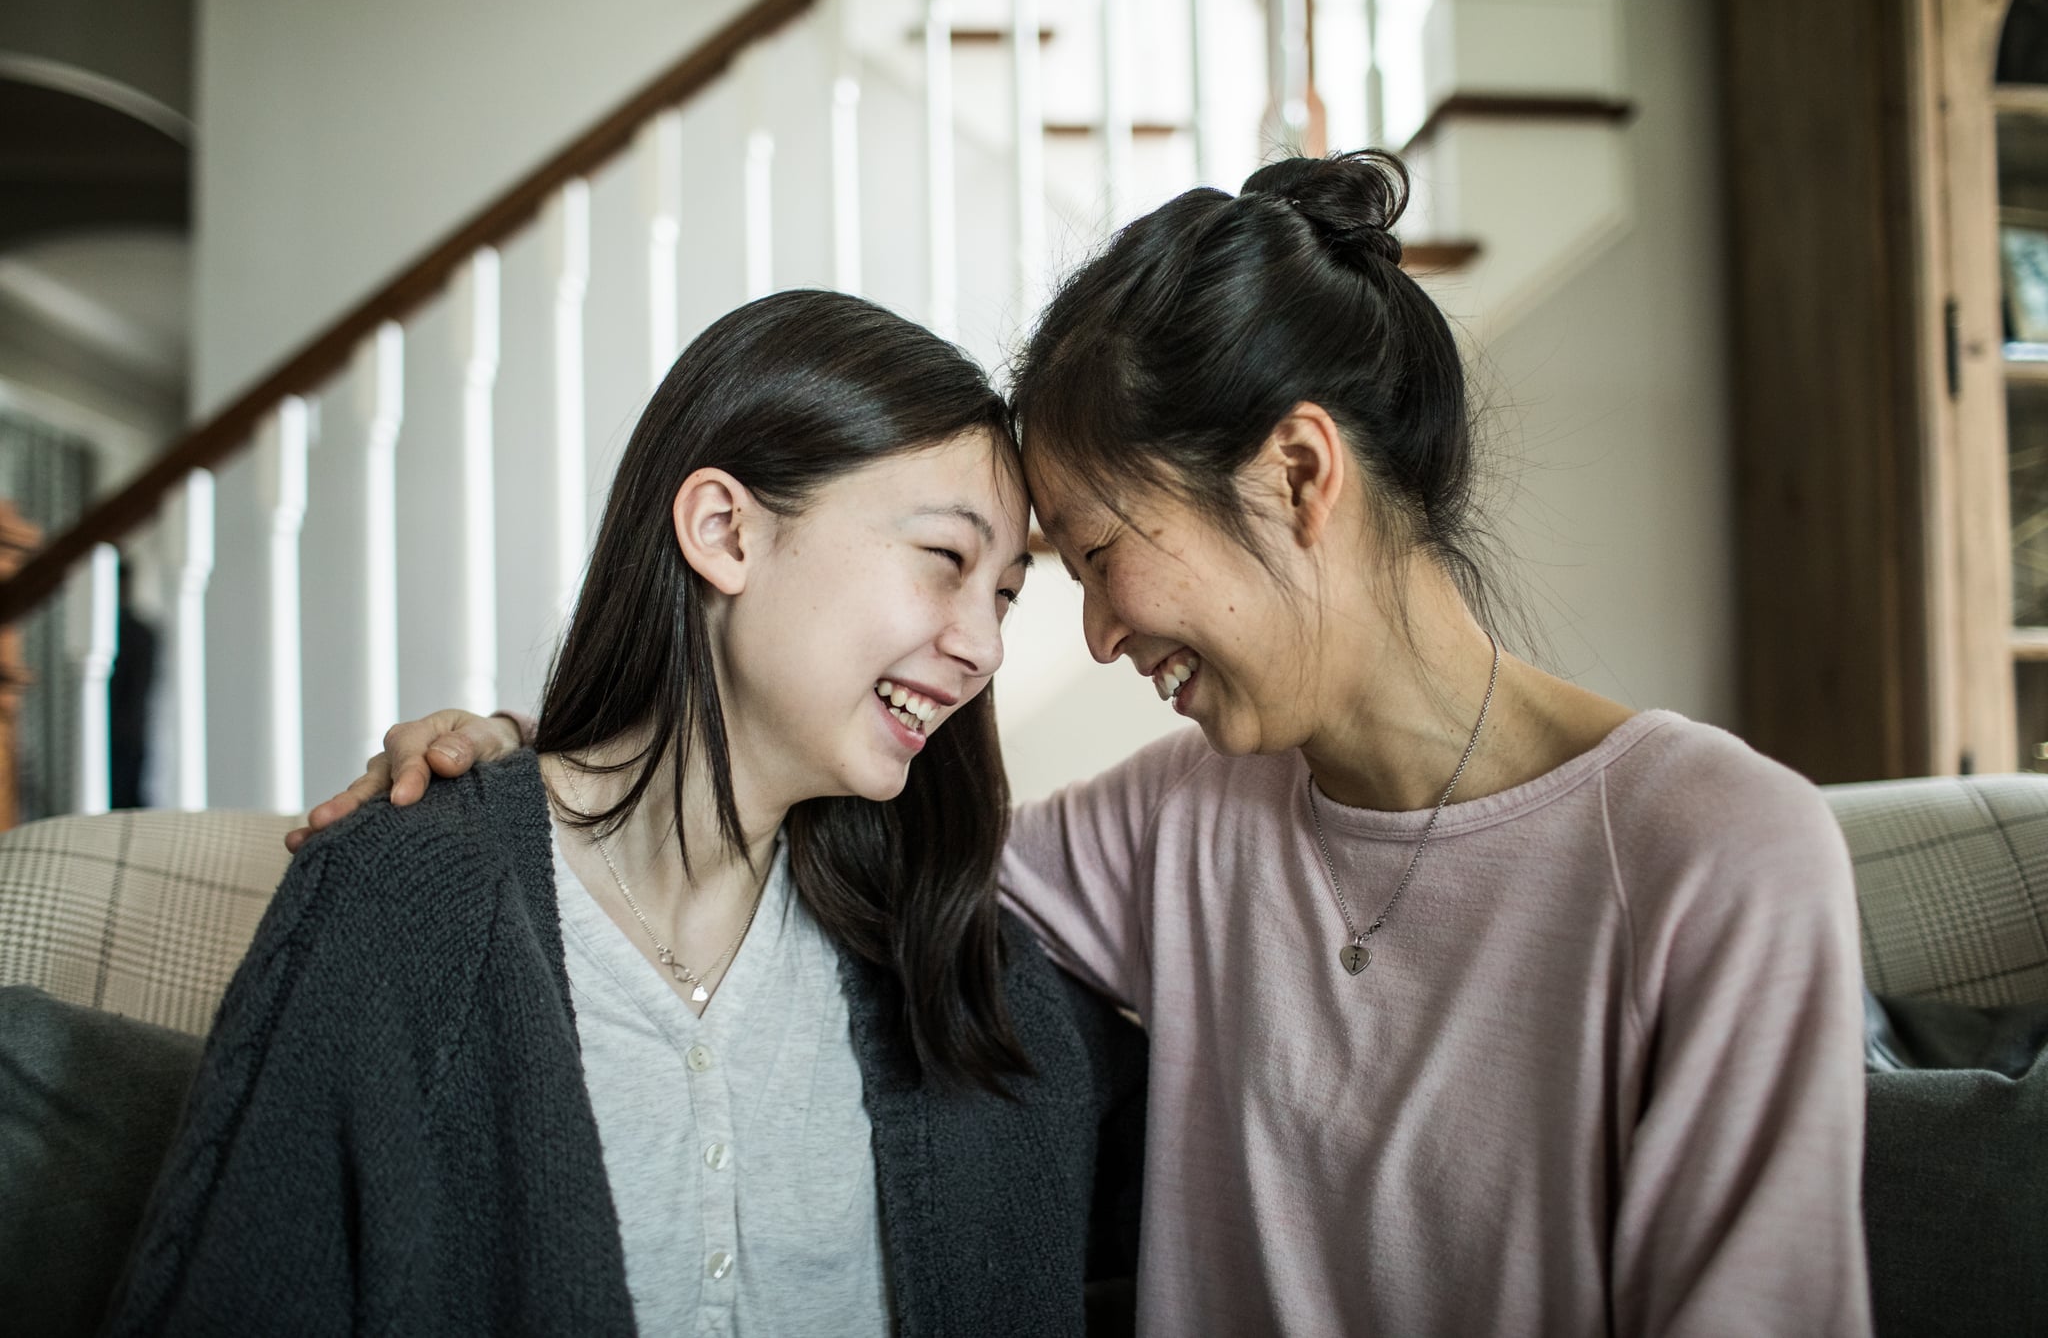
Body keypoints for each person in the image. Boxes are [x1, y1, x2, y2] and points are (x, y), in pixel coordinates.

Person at [305, 152, 1871, 1336]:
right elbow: (770, 824)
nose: (1093, 638)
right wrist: (535, 763)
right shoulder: (1174, 828)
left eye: (1093, 555)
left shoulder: (1718, 855)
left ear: (1300, 474)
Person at [109, 291, 1144, 1337]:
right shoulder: (403, 898)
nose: (984, 646)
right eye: (945, 561)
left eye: (1005, 593)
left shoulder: (960, 951)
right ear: (722, 530)